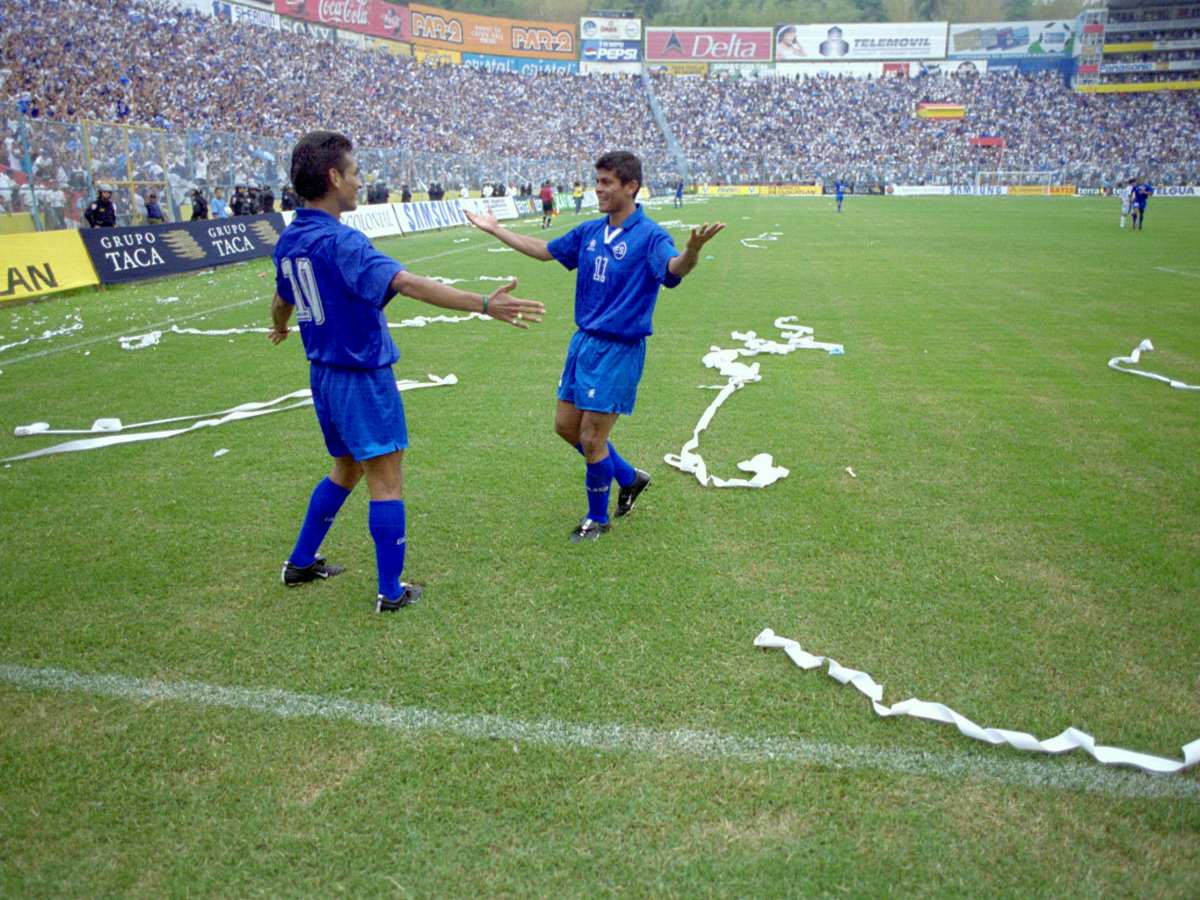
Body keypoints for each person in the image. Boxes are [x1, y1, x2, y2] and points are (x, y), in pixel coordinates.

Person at [269, 131, 545, 612]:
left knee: (346, 467)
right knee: (386, 479)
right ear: (333, 177)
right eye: (355, 173)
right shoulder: (343, 241)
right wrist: (483, 304)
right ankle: (391, 592)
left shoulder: (290, 239)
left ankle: (300, 562)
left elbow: (282, 298)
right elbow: (407, 283)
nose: (360, 181)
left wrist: (279, 328)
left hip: (324, 377)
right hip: (360, 373)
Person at [465, 150, 725, 542]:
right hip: (583, 343)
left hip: (619, 349)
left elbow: (673, 269)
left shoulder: (650, 236)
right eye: (597, 182)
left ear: (631, 187)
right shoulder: (590, 232)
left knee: (591, 438)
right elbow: (544, 250)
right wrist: (496, 229)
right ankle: (628, 477)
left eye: (606, 183)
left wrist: (692, 251)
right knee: (565, 427)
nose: (598, 190)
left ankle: (596, 518)